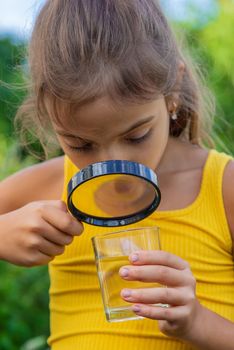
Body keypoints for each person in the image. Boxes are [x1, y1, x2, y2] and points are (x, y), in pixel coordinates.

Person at [0, 0, 233, 349]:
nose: (113, 164)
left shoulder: (221, 187)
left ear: (171, 94)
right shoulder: (48, 184)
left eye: (136, 136)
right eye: (81, 144)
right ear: (49, 119)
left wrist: (198, 321)